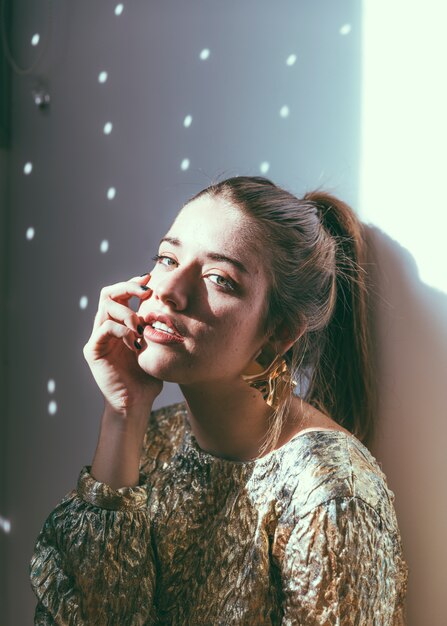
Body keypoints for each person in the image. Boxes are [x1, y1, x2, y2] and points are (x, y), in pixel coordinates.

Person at [29, 176, 409, 625]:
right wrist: (123, 413)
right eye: (168, 258)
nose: (170, 289)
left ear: (278, 333)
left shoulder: (331, 494)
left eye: (219, 278)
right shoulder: (155, 439)